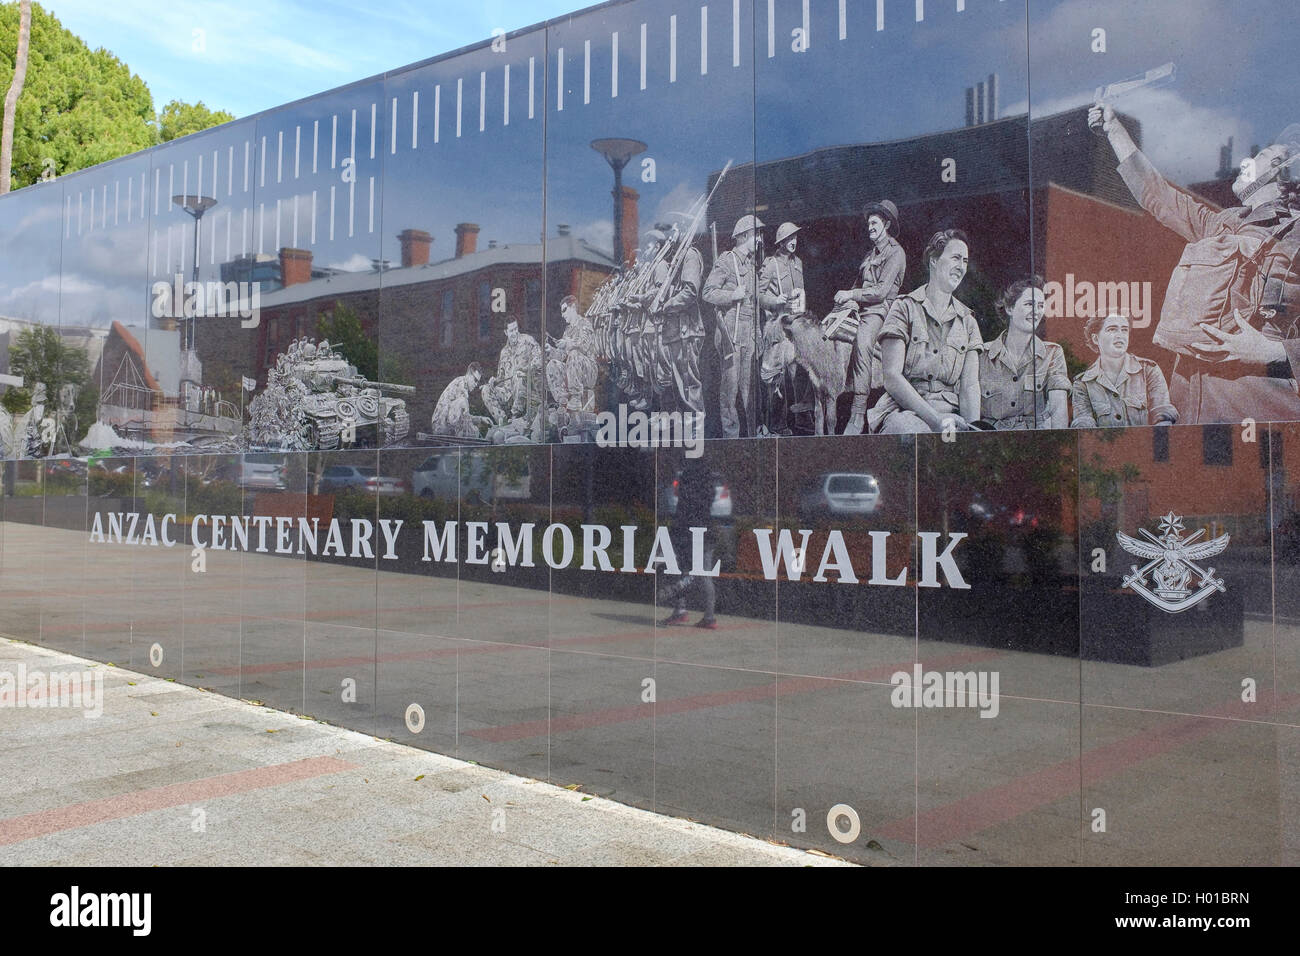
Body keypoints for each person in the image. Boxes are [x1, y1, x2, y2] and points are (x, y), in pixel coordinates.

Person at [1090, 104, 1300, 423]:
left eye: (1259, 156)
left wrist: (1275, 352)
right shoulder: (1222, 224)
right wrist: (1114, 130)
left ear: (1283, 171)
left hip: (1258, 414)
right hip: (1193, 407)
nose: (1245, 161)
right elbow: (1158, 196)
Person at [869, 229, 982, 434]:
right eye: (956, 258)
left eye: (965, 261)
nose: (961, 267)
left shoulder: (968, 322)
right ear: (934, 260)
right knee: (911, 435)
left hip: (950, 416)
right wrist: (936, 421)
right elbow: (892, 377)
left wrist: (972, 436)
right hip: (905, 413)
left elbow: (970, 387)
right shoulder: (904, 308)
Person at [831, 201, 907, 434]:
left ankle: (858, 414)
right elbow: (858, 283)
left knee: (863, 341)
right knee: (828, 330)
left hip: (881, 310)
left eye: (874, 222)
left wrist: (852, 295)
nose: (869, 227)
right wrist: (846, 301)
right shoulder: (869, 254)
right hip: (862, 307)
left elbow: (881, 291)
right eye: (868, 223)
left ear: (886, 224)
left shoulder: (896, 252)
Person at [979, 275, 1070, 429]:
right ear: (1009, 308)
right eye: (1029, 304)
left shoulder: (1053, 353)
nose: (1037, 311)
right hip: (992, 444)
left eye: (1041, 305)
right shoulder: (981, 355)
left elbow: (1058, 411)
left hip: (1035, 443)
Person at [703, 214, 763, 438]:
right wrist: (731, 295)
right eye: (756, 234)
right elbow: (708, 292)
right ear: (745, 236)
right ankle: (731, 437)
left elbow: (754, 305)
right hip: (731, 333)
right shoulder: (727, 260)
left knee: (747, 390)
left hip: (748, 334)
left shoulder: (751, 265)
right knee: (730, 390)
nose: (758, 239)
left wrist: (757, 334)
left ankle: (749, 436)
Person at [1071, 313, 1177, 428]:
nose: (1120, 335)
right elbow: (1084, 427)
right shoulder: (1083, 383)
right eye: (1112, 329)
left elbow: (1163, 417)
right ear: (1096, 339)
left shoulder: (1149, 370)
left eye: (1124, 330)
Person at [658, 456, 719, 630]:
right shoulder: (708, 482)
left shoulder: (687, 478)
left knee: (678, 569)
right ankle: (709, 616)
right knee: (704, 574)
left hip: (686, 530)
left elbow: (682, 506)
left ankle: (680, 610)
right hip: (706, 530)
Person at [758, 222, 805, 435]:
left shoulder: (799, 263)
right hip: (777, 326)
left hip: (795, 325)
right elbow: (758, 295)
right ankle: (778, 425)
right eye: (788, 239)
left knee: (797, 374)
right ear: (781, 242)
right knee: (777, 378)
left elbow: (802, 293)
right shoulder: (771, 264)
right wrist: (775, 300)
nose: (793, 242)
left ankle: (801, 422)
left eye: (794, 238)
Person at [481, 319, 543, 429]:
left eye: (516, 329)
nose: (514, 333)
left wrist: (525, 369)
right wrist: (494, 382)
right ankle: (503, 421)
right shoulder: (504, 352)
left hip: (528, 390)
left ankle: (515, 417)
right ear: (506, 332)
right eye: (511, 330)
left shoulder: (528, 341)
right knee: (485, 390)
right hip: (509, 395)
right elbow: (501, 379)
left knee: (518, 376)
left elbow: (540, 360)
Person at [431, 362, 487, 439]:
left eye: (478, 382)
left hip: (441, 424)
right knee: (463, 402)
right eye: (475, 380)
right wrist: (475, 432)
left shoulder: (461, 383)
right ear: (469, 375)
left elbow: (463, 416)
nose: (476, 384)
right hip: (440, 426)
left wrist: (480, 419)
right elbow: (464, 418)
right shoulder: (461, 386)